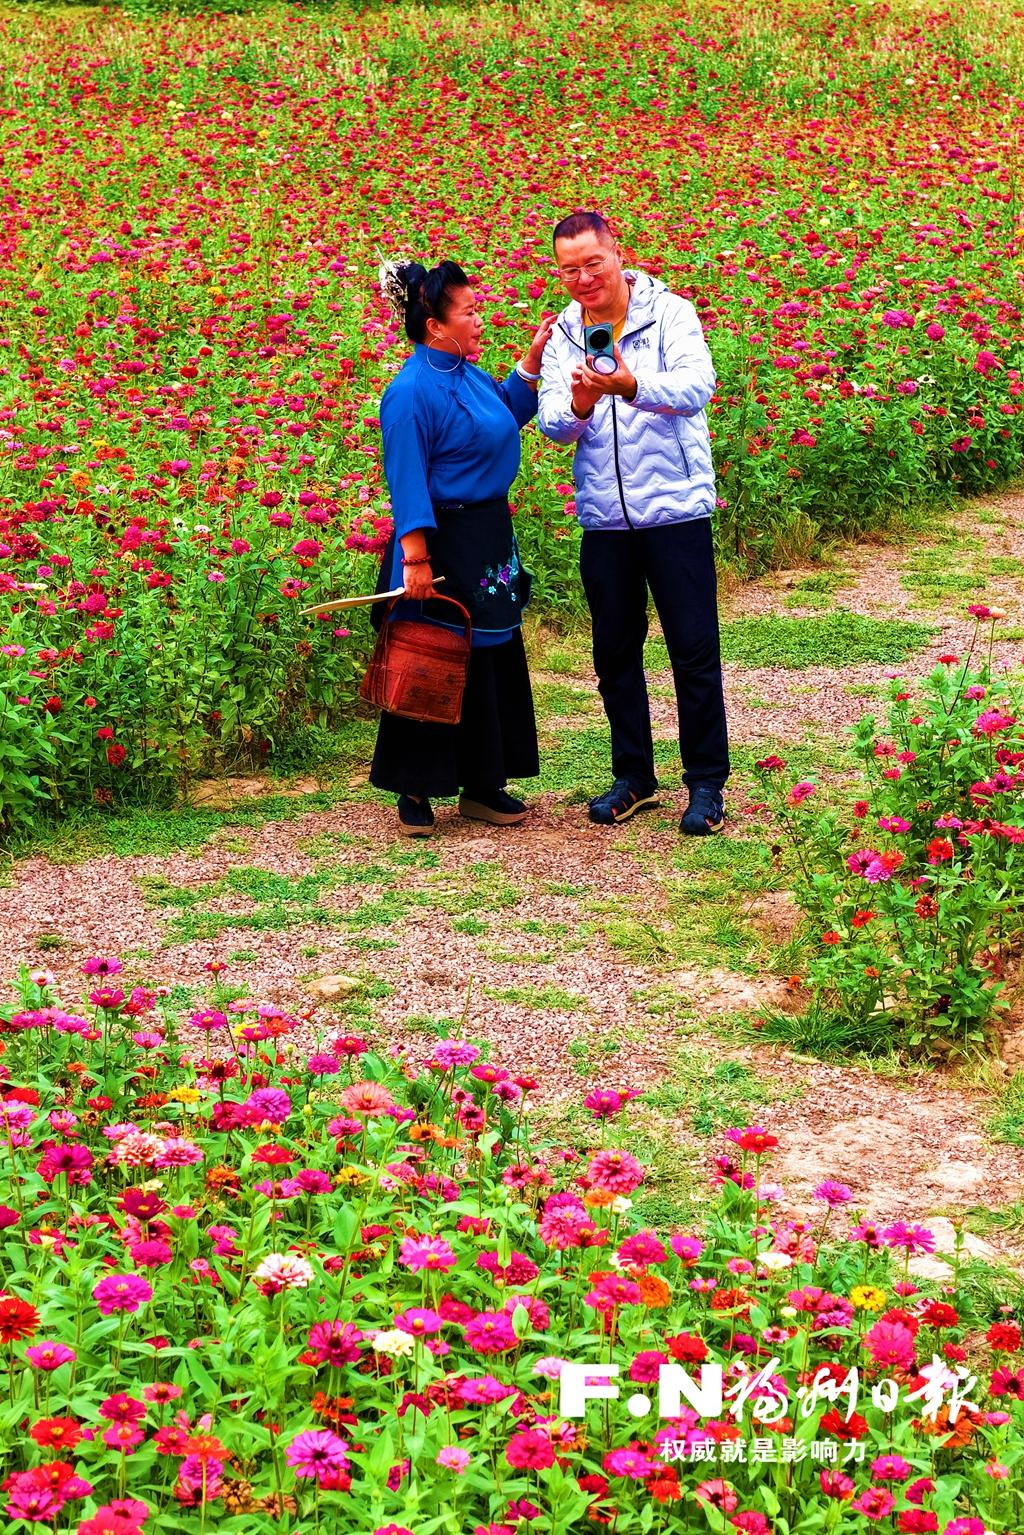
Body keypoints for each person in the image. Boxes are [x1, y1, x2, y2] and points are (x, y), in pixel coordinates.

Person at [537, 212, 730, 836]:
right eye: (570, 269)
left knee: (692, 650)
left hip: (674, 507)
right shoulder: (565, 333)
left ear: (616, 253)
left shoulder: (670, 313)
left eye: (594, 263)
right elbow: (551, 422)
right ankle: (634, 777)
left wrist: (630, 384)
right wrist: (582, 405)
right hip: (606, 517)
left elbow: (698, 385)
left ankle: (705, 784)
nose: (584, 278)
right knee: (614, 652)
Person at [369, 257, 555, 838]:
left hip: (488, 540)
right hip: (440, 544)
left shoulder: (468, 374)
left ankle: (482, 783)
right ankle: (415, 788)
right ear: (435, 326)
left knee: (490, 660)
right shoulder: (409, 392)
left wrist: (529, 364)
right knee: (432, 660)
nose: (480, 319)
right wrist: (416, 559)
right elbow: (407, 481)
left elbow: (502, 415)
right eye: (470, 311)